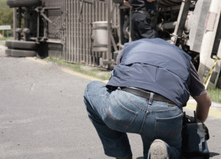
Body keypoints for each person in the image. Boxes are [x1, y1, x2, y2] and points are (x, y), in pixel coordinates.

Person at [83, 38, 211, 159]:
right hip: (167, 114)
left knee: (91, 88)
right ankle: (165, 149)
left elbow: (114, 84)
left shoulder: (130, 48)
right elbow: (205, 102)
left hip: (126, 104)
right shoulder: (183, 58)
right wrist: (196, 126)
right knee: (172, 149)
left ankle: (122, 154)